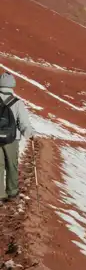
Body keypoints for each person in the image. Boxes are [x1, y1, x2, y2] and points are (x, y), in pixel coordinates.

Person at [0, 72, 32, 202]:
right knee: (12, 165)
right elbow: (23, 122)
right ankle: (12, 192)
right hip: (12, 139)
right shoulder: (17, 102)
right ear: (12, 85)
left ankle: (0, 194)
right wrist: (29, 134)